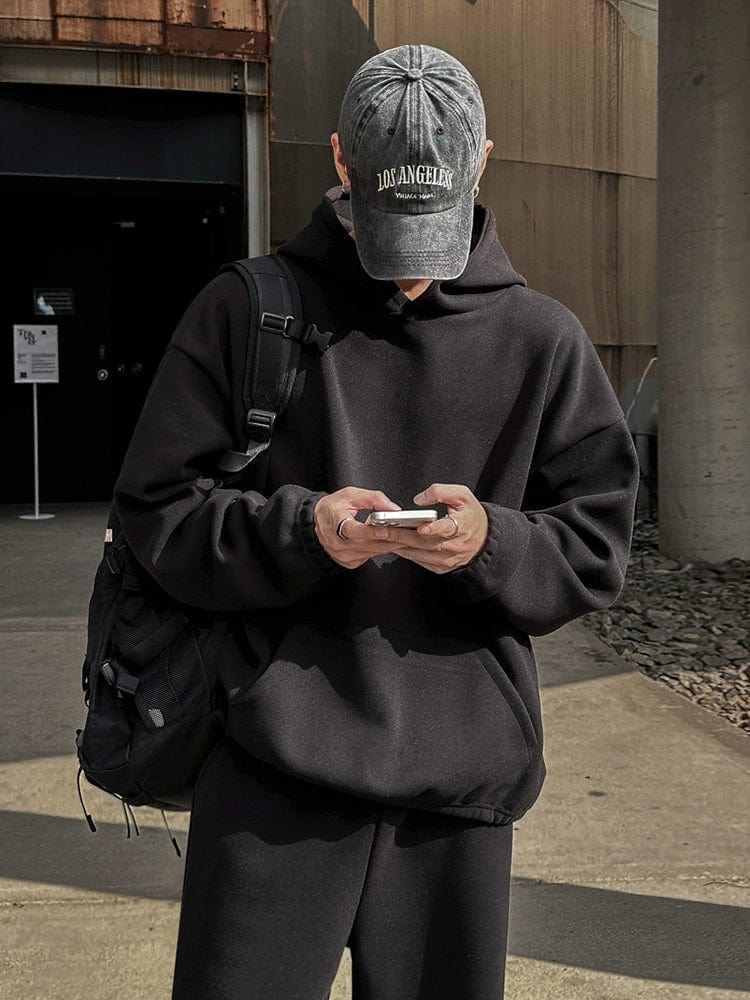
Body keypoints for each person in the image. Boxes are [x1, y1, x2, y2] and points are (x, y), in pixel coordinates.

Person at [114, 43, 639, 1000]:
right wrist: (303, 531)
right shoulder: (248, 309)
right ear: (340, 163)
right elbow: (157, 511)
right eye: (390, 226)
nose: (406, 271)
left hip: (457, 790)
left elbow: (596, 546)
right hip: (273, 773)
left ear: (483, 161)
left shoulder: (543, 341)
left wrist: (495, 542)